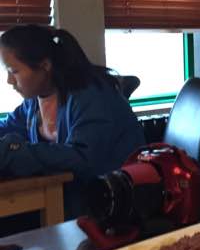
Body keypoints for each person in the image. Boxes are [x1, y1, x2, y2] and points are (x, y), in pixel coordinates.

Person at [0, 25, 145, 219]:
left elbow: (81, 158)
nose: (9, 81)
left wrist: (13, 152)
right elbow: (7, 128)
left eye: (14, 71)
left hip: (112, 206)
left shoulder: (92, 95)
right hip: (69, 202)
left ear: (45, 65)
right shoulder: (34, 102)